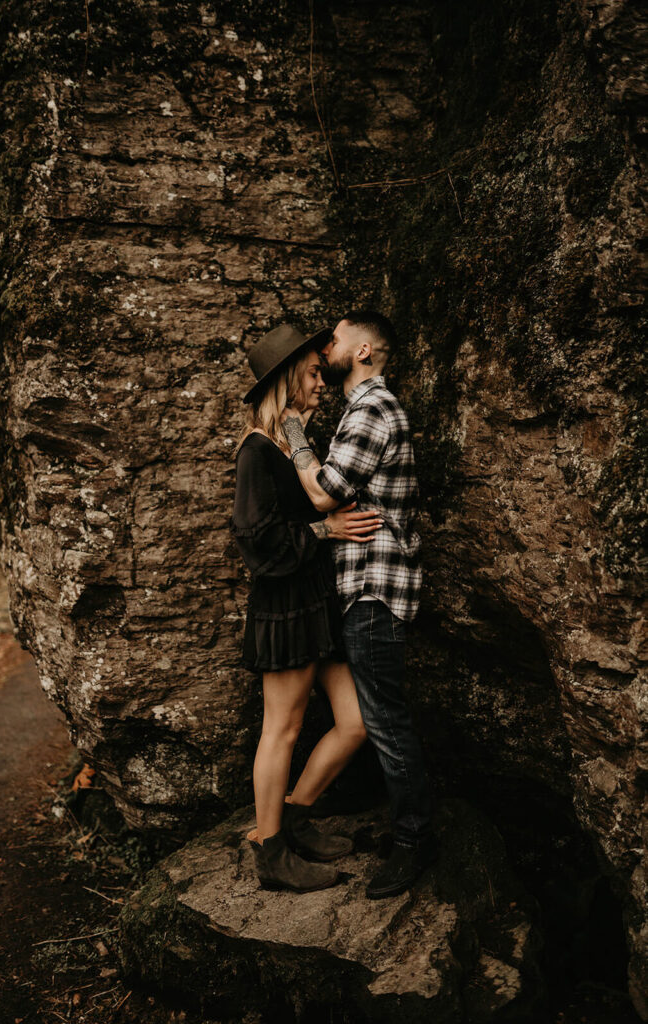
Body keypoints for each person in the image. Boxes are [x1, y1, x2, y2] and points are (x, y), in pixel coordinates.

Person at [280, 310, 437, 899]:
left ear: (366, 349)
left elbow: (323, 493)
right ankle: (401, 829)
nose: (328, 348)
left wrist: (293, 432)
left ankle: (415, 842)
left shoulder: (372, 408)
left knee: (386, 725)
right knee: (378, 720)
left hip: (375, 589)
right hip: (364, 590)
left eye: (338, 339)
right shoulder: (361, 410)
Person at [231, 323, 383, 894]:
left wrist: (324, 526)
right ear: (291, 378)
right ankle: (271, 853)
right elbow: (258, 543)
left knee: (357, 722)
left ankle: (294, 818)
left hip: (317, 603)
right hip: (285, 606)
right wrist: (327, 529)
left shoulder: (290, 445)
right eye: (315, 373)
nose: (323, 381)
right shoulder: (255, 451)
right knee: (283, 728)